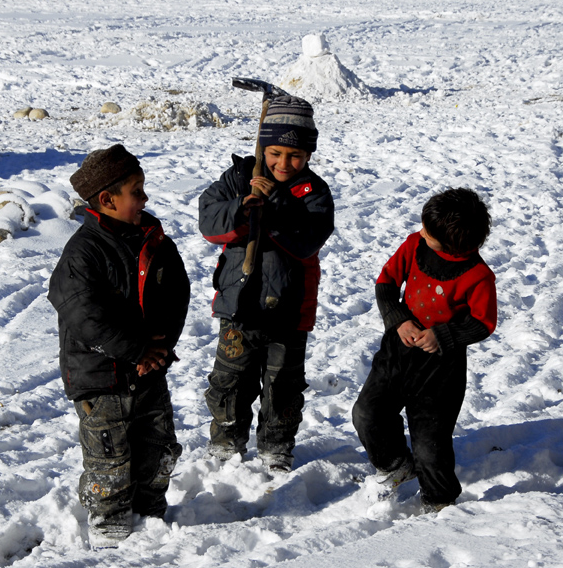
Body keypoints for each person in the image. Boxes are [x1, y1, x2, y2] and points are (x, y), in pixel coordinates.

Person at [48, 144, 190, 548]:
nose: (145, 200)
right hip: (102, 377)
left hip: (149, 370)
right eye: (137, 192)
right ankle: (110, 526)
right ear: (107, 200)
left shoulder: (154, 240)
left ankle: (151, 512)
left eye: (143, 190)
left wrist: (159, 349)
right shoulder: (83, 252)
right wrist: (135, 350)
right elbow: (85, 317)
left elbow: (177, 295)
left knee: (159, 447)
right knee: (108, 457)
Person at [198, 95, 334, 473]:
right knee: (230, 379)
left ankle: (277, 446)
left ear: (308, 155)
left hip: (289, 310)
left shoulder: (313, 192)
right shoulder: (239, 177)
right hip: (239, 305)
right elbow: (209, 222)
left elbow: (308, 239)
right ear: (262, 147)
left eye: (295, 156)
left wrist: (275, 207)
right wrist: (242, 206)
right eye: (275, 153)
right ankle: (225, 441)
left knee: (283, 385)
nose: (283, 164)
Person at [352, 187, 497, 513]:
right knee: (367, 414)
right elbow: (386, 284)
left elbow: (483, 323)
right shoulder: (414, 245)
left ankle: (440, 501)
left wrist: (445, 335)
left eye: (428, 233)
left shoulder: (478, 276)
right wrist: (398, 320)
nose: (420, 232)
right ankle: (395, 464)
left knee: (430, 444)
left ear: (453, 246)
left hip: (439, 369)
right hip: (396, 353)